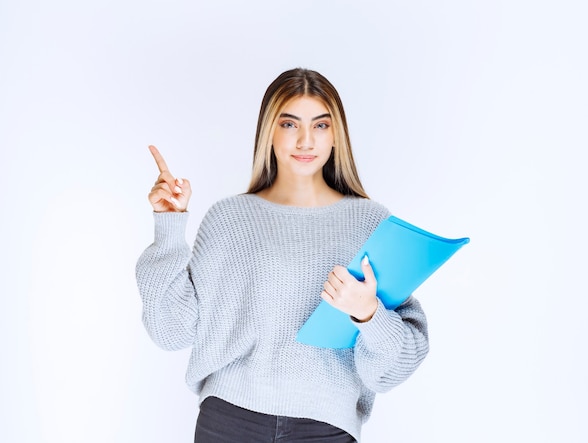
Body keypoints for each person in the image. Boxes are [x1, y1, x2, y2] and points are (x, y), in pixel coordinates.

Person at [136, 68, 429, 442]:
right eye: (290, 124)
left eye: (321, 126)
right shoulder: (229, 219)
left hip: (325, 428)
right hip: (229, 421)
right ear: (268, 133)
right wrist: (169, 228)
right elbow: (171, 331)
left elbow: (391, 369)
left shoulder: (370, 224)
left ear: (336, 135)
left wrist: (368, 314)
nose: (306, 140)